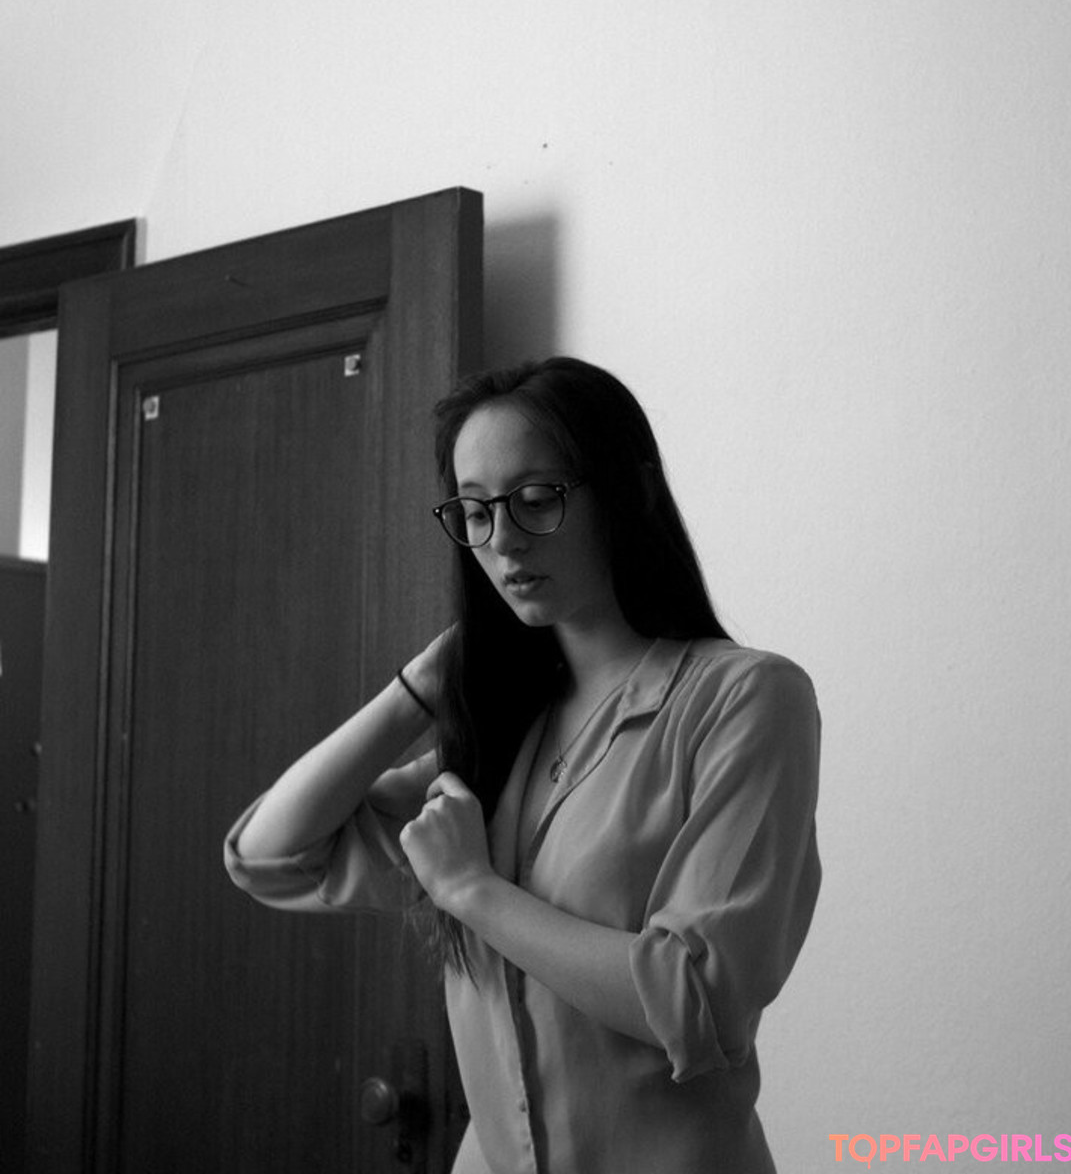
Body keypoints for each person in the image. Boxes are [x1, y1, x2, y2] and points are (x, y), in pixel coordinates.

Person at [224, 356, 821, 1174]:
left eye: (536, 499)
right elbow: (269, 855)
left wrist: (473, 890)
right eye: (474, 511)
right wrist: (418, 686)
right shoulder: (502, 734)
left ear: (631, 492)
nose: (501, 539)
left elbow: (698, 1001)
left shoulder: (744, 697)